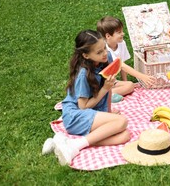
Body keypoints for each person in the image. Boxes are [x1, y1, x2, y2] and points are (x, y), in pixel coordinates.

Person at [42, 30, 130, 165]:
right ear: (86, 55)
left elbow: (108, 90)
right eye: (99, 52)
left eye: (104, 49)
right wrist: (105, 88)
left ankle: (70, 142)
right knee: (121, 122)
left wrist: (108, 111)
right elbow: (83, 107)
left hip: (93, 111)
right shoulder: (83, 74)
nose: (105, 54)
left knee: (125, 136)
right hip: (75, 115)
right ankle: (73, 147)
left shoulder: (107, 60)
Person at [97, 16, 156, 97]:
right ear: (108, 36)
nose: (123, 34)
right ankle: (101, 96)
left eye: (122, 31)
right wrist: (142, 76)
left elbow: (121, 64)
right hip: (97, 82)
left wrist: (125, 82)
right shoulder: (104, 48)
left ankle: (108, 95)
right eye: (119, 32)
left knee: (130, 85)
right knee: (128, 86)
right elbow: (121, 65)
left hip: (109, 81)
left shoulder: (122, 43)